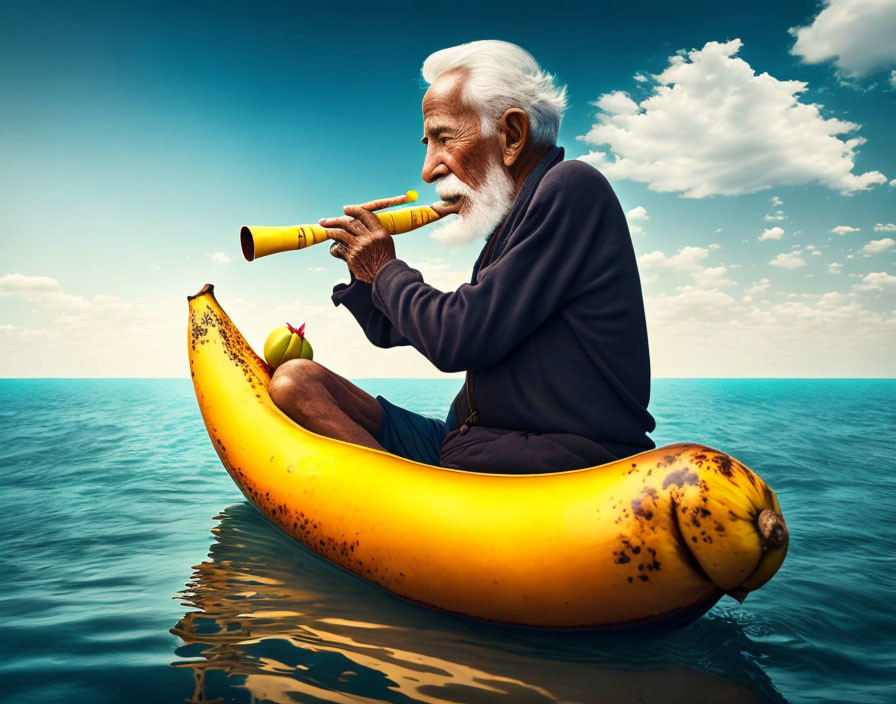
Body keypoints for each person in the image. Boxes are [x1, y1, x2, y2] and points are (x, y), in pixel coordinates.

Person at [268, 40, 655, 472]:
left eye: (443, 138)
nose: (429, 168)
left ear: (511, 135)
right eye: (427, 142)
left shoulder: (572, 188)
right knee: (295, 381)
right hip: (469, 440)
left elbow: (458, 338)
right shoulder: (512, 221)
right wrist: (364, 272)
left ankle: (407, 509)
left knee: (293, 384)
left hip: (543, 457)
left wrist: (385, 267)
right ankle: (406, 497)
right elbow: (404, 329)